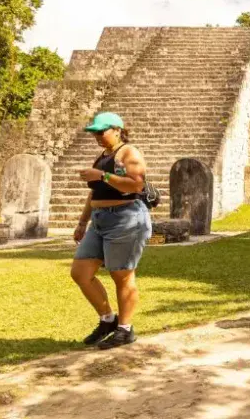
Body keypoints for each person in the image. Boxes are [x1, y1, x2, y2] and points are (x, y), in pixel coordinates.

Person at [71, 112, 152, 350]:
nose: (97, 136)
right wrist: (82, 222)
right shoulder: (103, 155)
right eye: (94, 132)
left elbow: (137, 184)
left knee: (122, 275)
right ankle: (108, 319)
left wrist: (102, 175)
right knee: (80, 272)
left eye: (101, 131)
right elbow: (94, 193)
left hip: (125, 219)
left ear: (117, 129)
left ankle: (125, 329)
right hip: (99, 220)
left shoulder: (129, 152)